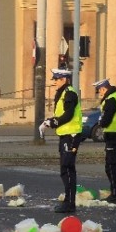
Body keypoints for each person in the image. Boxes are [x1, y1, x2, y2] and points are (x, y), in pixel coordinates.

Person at [43, 68, 82, 213]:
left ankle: (70, 203)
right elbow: (61, 114)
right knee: (65, 169)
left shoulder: (69, 93)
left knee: (68, 168)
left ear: (64, 80)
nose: (55, 83)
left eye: (57, 80)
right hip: (65, 135)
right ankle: (68, 201)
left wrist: (55, 122)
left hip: (71, 136)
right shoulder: (63, 93)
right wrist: (50, 121)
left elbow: (69, 115)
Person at [93, 78, 116, 204]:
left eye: (99, 91)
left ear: (104, 89)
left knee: (111, 166)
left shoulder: (110, 100)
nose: (99, 94)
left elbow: (106, 119)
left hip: (114, 136)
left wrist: (100, 122)